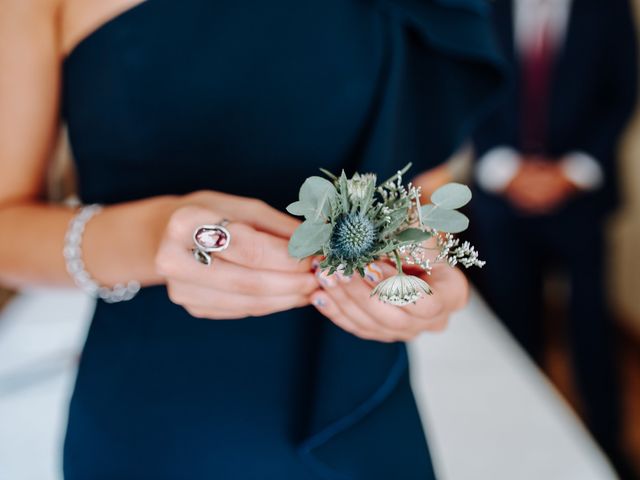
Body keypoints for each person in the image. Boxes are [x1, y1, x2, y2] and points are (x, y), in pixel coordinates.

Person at [0, 0, 504, 478]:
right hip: (156, 418)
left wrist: (426, 275)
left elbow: (420, 190)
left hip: (354, 410)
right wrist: (150, 237)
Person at [471, 0, 638, 475]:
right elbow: (468, 86)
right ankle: (517, 448)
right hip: (502, 199)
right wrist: (506, 170)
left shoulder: (606, 9)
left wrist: (570, 173)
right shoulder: (484, 9)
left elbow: (621, 92)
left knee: (592, 330)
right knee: (513, 329)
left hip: (581, 199)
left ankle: (608, 449)